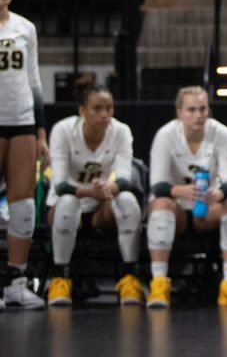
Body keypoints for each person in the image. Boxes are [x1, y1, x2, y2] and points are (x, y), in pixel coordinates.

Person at [144, 86, 227, 308]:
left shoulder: (221, 133)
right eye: (191, 110)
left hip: (207, 207)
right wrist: (180, 191)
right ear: (179, 112)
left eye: (203, 109)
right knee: (161, 204)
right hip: (177, 207)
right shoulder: (165, 135)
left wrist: (219, 193)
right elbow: (157, 183)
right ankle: (159, 283)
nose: (198, 115)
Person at [45, 84, 144, 307]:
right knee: (69, 202)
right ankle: (60, 278)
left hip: (101, 205)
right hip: (67, 203)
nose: (104, 115)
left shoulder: (121, 131)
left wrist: (105, 190)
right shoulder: (63, 130)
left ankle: (130, 276)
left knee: (128, 201)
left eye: (109, 108)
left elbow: (125, 179)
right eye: (97, 108)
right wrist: (87, 191)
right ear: (82, 110)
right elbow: (60, 184)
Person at [0, 0, 48, 311]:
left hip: (22, 123)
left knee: (24, 205)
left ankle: (17, 281)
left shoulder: (25, 28)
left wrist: (41, 132)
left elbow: (34, 82)